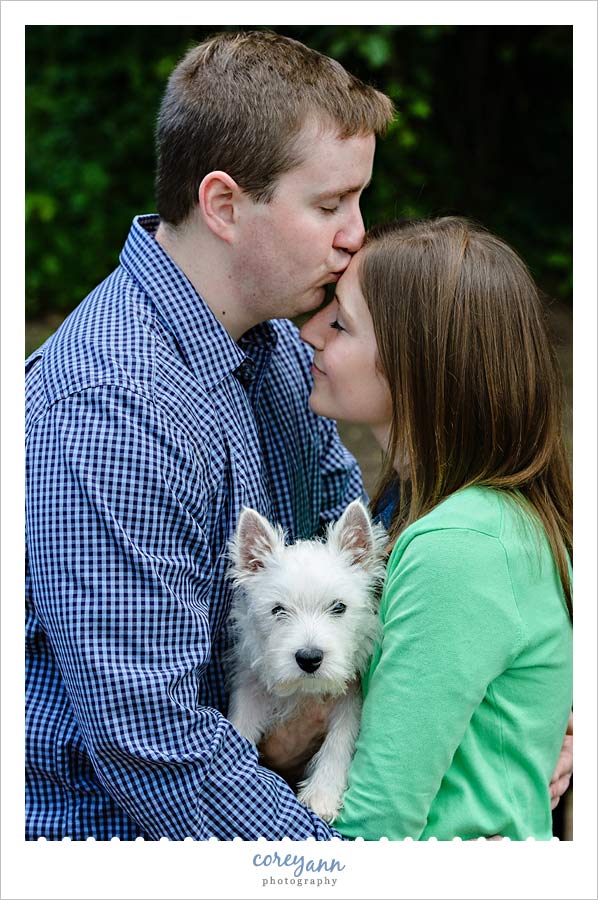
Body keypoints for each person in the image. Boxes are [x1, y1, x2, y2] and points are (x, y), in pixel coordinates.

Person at [25, 30, 395, 841]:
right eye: (330, 204)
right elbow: (152, 750)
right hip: (115, 845)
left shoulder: (271, 344)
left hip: (276, 773)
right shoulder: (114, 411)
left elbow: (359, 554)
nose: (356, 234)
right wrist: (333, 869)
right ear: (225, 206)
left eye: (358, 201)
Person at [298, 217, 573, 839]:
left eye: (339, 323)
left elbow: (378, 825)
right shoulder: (457, 510)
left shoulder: (456, 546)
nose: (310, 332)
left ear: (413, 366)